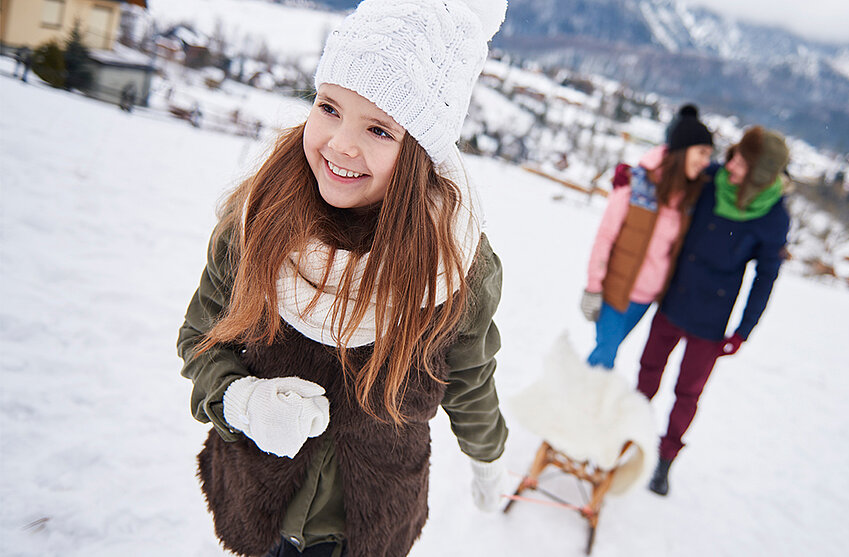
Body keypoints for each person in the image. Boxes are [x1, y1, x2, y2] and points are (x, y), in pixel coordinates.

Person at [176, 1, 510, 556]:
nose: (340, 144)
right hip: (256, 499)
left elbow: (469, 379)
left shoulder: (455, 269)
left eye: (379, 128)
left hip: (371, 520)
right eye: (329, 107)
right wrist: (243, 403)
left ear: (422, 152)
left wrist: (488, 457)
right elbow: (200, 341)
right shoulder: (256, 222)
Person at [639, 125, 791, 496]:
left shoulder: (773, 217)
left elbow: (765, 276)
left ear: (759, 172)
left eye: (742, 160)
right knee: (648, 373)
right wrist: (632, 180)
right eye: (735, 153)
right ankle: (629, 436)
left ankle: (665, 459)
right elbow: (670, 166)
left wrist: (744, 329)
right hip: (675, 296)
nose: (731, 162)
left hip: (712, 319)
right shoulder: (711, 179)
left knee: (687, 393)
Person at [580, 105, 714, 369]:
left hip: (646, 299)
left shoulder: (690, 197)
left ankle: (575, 398)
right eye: (701, 152)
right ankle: (575, 402)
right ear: (682, 149)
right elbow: (605, 237)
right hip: (615, 291)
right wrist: (593, 287)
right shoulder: (635, 184)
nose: (705, 161)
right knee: (605, 356)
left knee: (606, 351)